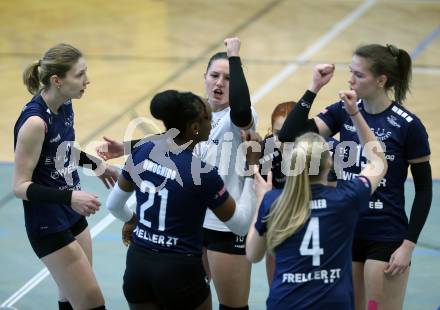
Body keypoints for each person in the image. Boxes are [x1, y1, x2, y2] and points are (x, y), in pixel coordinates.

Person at [96, 37, 257, 309]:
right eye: (214, 76)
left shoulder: (238, 117)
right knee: (183, 292)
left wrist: (234, 55)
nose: (219, 83)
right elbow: (171, 139)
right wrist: (125, 148)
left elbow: (239, 110)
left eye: (228, 78)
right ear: (204, 77)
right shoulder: (195, 112)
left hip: (224, 223)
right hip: (189, 222)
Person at [278, 44, 432, 310]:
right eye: (351, 72)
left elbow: (424, 190)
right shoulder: (342, 111)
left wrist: (408, 245)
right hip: (346, 232)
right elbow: (289, 135)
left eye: (358, 75)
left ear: (381, 80)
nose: (350, 80)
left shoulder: (408, 125)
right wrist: (314, 87)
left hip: (385, 236)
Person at [246, 89, 388, 309]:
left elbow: (253, 255)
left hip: (286, 302)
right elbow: (378, 162)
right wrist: (355, 113)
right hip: (334, 303)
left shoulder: (273, 201)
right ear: (329, 162)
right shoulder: (346, 199)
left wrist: (262, 198)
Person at [13, 44, 118, 310]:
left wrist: (97, 165)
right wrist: (70, 196)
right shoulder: (35, 123)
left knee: (71, 299)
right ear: (57, 81)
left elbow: (65, 149)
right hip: (47, 222)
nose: (87, 80)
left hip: (70, 212)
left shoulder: (65, 104)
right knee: (92, 302)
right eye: (80, 74)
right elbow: (20, 186)